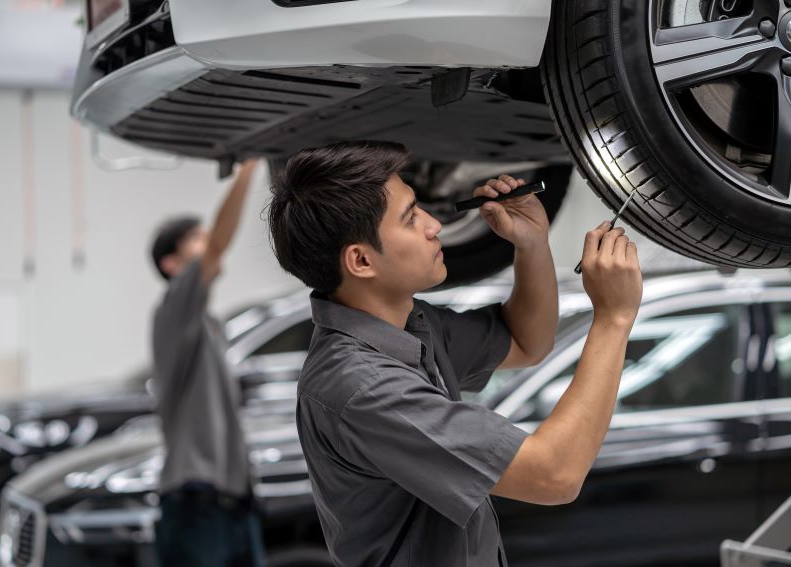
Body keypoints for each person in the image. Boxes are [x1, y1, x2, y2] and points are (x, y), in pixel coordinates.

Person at [266, 141, 643, 567]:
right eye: (411, 219)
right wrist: (613, 318)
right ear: (361, 260)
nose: (434, 225)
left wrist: (531, 245)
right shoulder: (363, 387)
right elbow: (555, 475)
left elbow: (525, 343)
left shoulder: (409, 325)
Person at [150, 159, 264, 567]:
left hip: (232, 502)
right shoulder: (173, 311)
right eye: (196, 239)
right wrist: (248, 168)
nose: (209, 243)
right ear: (172, 265)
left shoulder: (207, 324)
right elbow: (218, 248)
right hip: (197, 502)